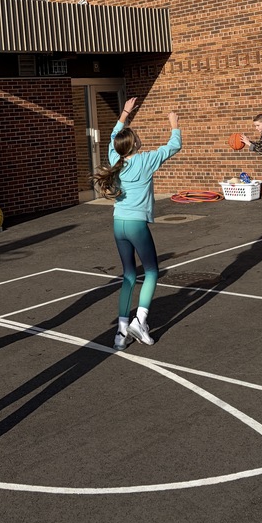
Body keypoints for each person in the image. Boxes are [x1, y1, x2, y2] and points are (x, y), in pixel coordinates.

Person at [92, 97, 181, 350]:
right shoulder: (144, 161)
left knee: (129, 275)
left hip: (118, 223)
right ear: (134, 145)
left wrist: (125, 113)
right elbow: (174, 146)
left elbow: (112, 136)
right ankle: (140, 321)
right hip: (136, 224)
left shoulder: (114, 158)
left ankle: (121, 332)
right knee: (152, 271)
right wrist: (174, 124)